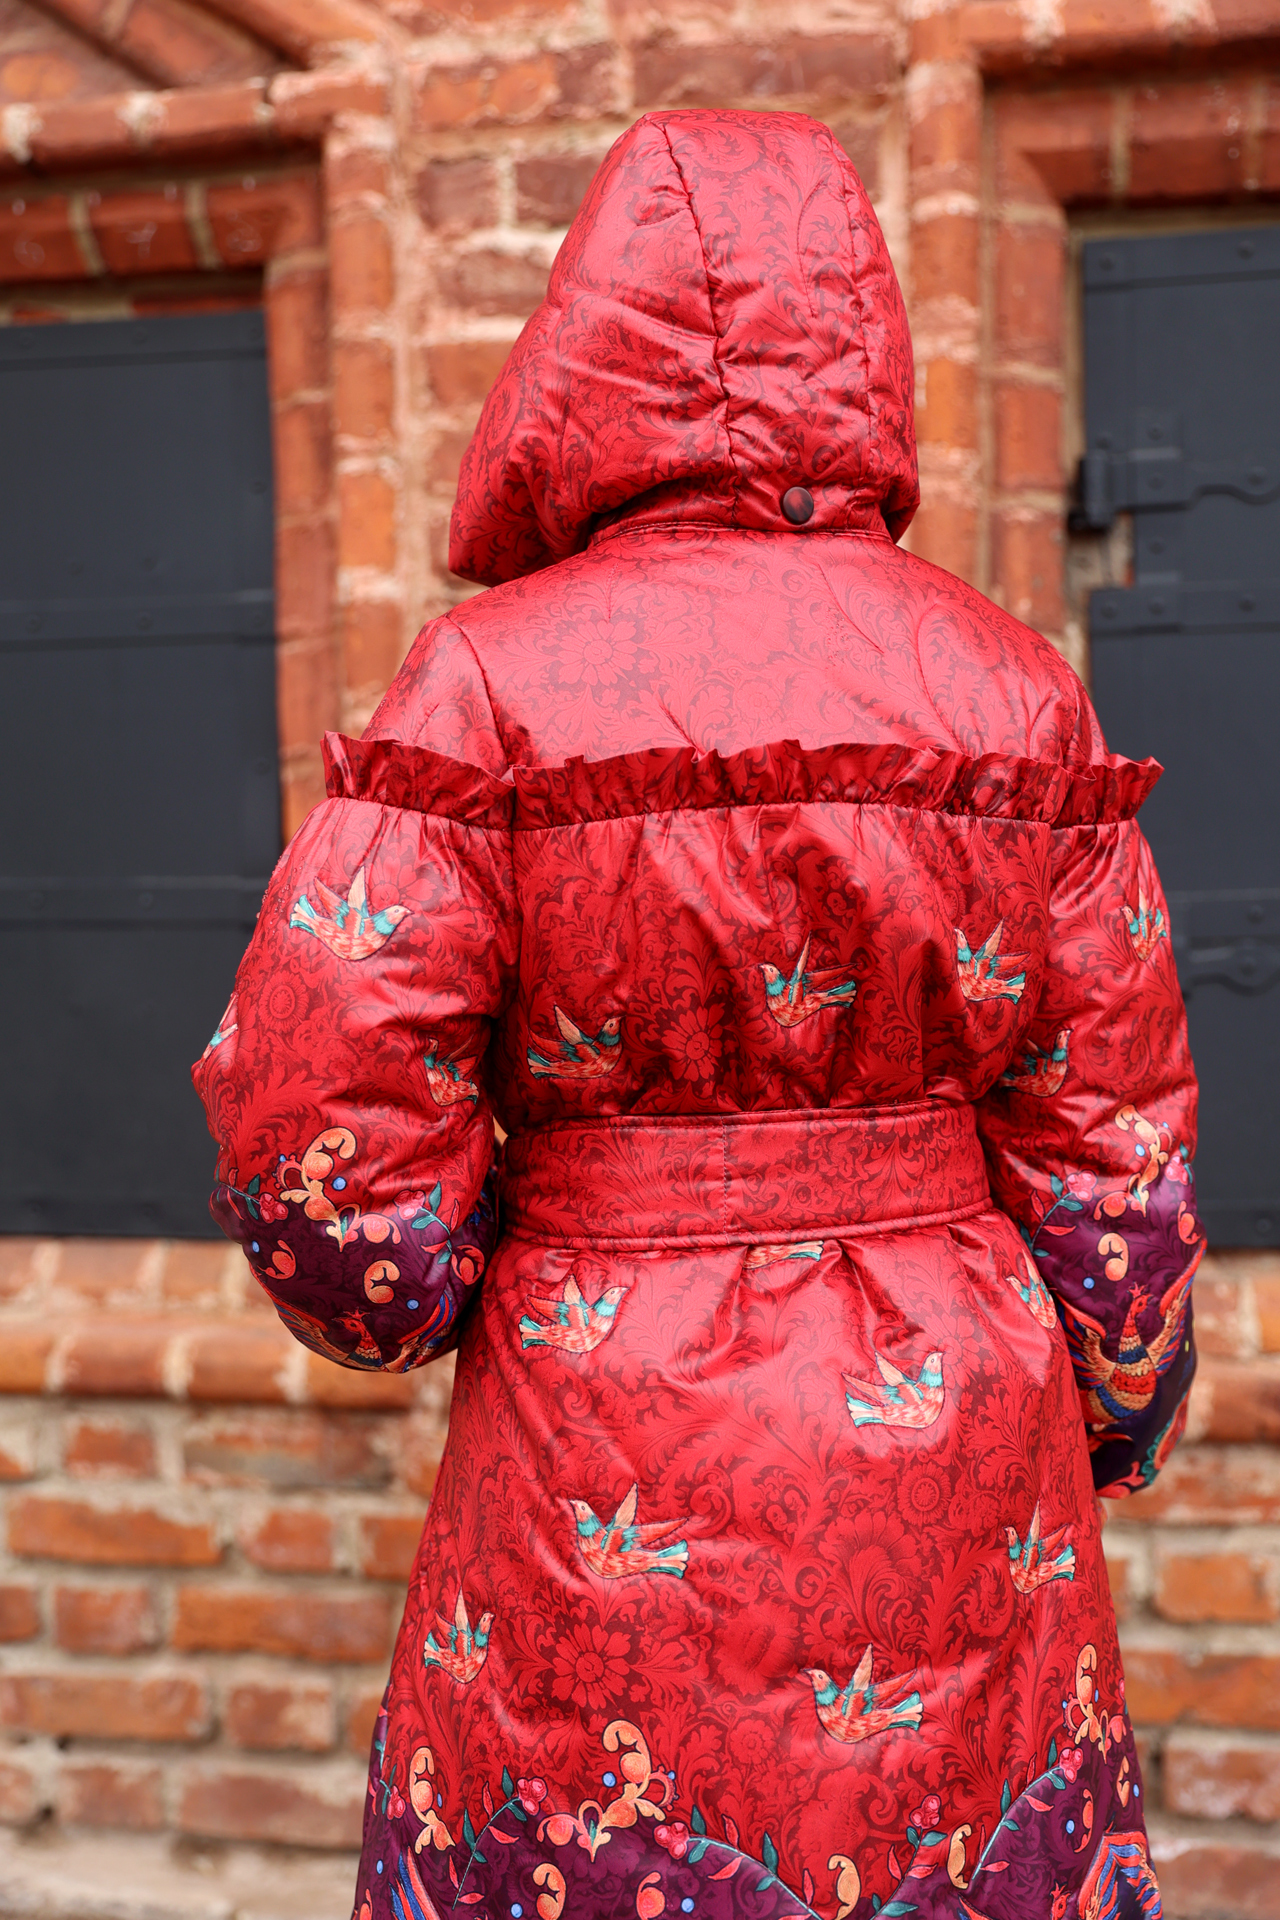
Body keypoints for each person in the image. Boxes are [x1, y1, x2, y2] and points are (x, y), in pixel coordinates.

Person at [195, 109, 1198, 1920]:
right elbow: (1114, 1137)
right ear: (869, 347)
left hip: (599, 1416)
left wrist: (430, 1292)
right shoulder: (1012, 691)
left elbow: (320, 1125)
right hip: (961, 1438)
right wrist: (1116, 1395)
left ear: (587, 345)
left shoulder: (489, 684)